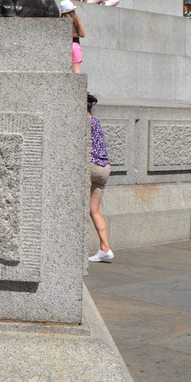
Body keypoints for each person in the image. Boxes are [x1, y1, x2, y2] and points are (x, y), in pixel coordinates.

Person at [87, 93, 113, 262]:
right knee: (94, 210)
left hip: (91, 166)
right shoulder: (96, 121)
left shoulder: (83, 121)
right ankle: (105, 248)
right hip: (104, 169)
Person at [59, 0, 85, 72]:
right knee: (76, 70)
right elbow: (82, 34)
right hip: (75, 45)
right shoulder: (77, 20)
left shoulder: (61, 21)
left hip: (64, 46)